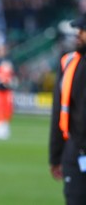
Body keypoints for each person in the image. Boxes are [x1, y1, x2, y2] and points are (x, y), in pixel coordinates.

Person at [49, 14, 86, 204]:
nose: (78, 34)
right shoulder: (69, 62)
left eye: (83, 30)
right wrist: (56, 156)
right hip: (75, 151)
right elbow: (59, 111)